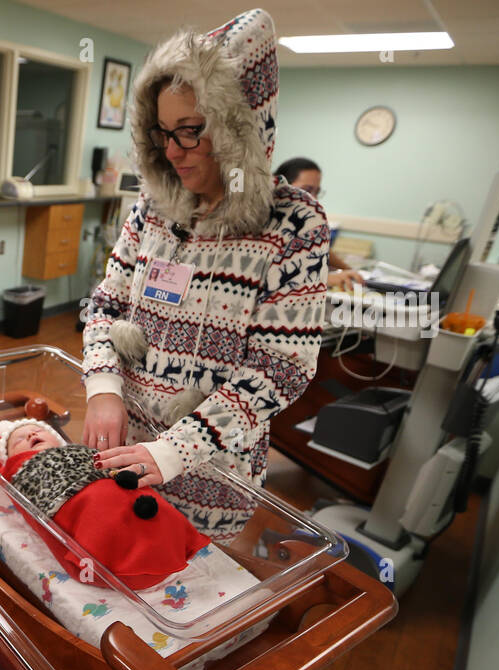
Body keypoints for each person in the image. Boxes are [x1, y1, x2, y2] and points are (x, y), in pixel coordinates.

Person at [81, 8, 329, 541]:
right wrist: (102, 386)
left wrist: (174, 451)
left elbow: (281, 367)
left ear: (239, 129)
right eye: (164, 133)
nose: (172, 151)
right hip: (124, 442)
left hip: (212, 474)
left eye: (192, 131)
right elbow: (105, 304)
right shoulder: (153, 207)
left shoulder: (293, 223)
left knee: (188, 592)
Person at [0, 418, 209, 590]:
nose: (31, 434)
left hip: (112, 479)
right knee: (100, 513)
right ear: (12, 459)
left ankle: (167, 537)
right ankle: (113, 547)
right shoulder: (22, 472)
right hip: (76, 500)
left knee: (136, 497)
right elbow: (8, 477)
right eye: (19, 440)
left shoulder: (80, 452)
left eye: (38, 429)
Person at [274, 156, 364, 290]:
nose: (313, 198)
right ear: (282, 187)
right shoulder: (267, 221)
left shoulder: (304, 218)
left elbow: (321, 246)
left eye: (317, 192)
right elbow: (274, 273)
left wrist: (351, 271)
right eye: (307, 190)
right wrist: (324, 279)